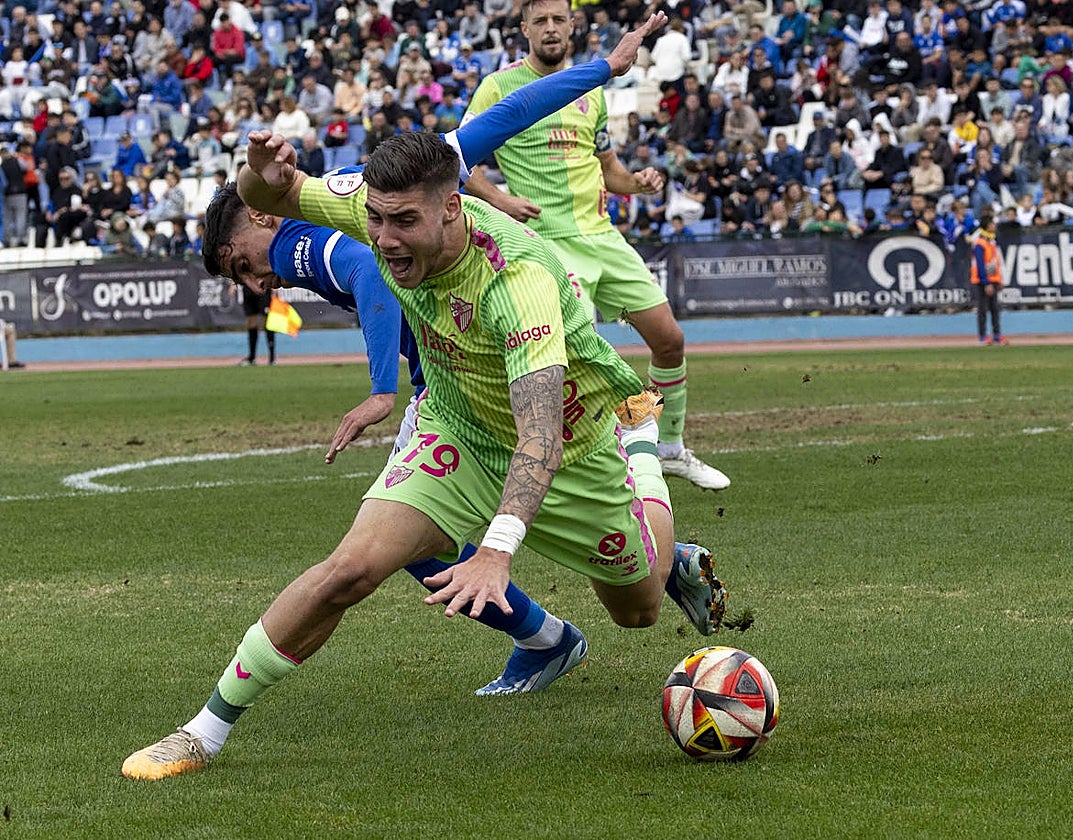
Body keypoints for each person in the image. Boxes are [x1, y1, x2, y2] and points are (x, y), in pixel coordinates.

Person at [121, 12, 728, 782]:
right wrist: (258, 176)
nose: (386, 239)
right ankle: (201, 732)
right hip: (457, 433)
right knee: (349, 570)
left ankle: (641, 448)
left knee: (638, 609)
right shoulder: (376, 208)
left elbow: (538, 435)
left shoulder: (517, 282)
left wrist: (498, 554)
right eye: (375, 221)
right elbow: (273, 193)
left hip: (569, 448)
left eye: (404, 222)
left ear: (455, 207)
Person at [464, 0, 731, 491]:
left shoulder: (592, 92)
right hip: (547, 245)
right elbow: (460, 157)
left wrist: (640, 183)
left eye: (557, 20)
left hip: (603, 238)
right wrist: (500, 200)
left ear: (572, 26)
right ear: (523, 28)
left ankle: (669, 449)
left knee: (670, 340)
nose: (549, 28)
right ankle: (605, 461)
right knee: (579, 358)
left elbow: (610, 170)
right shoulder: (498, 87)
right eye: (539, 21)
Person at [970, 213, 1006, 346]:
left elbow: (995, 263)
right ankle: (983, 336)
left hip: (993, 280)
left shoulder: (991, 241)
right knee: (983, 310)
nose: (994, 226)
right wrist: (986, 282)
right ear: (987, 226)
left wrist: (999, 280)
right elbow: (980, 265)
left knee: (995, 309)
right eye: (992, 224)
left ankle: (997, 335)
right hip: (982, 282)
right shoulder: (980, 243)